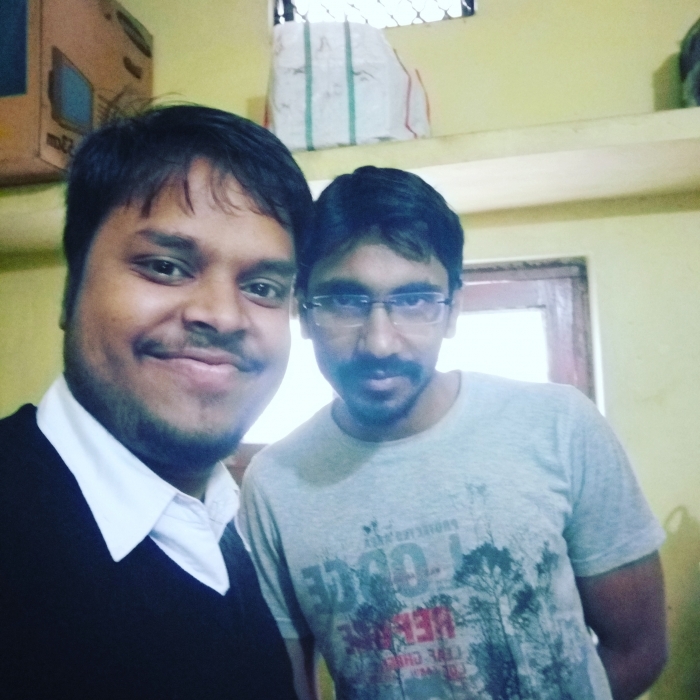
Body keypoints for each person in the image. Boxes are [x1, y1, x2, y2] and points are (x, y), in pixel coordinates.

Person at [240, 166, 668, 700]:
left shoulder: (560, 424)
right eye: (345, 301)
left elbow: (638, 648)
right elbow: (286, 686)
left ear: (453, 310)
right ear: (303, 311)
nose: (380, 343)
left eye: (414, 300)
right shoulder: (274, 484)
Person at [0, 105, 313, 698]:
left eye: (263, 287)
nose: (222, 316)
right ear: (70, 290)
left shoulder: (221, 527)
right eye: (166, 267)